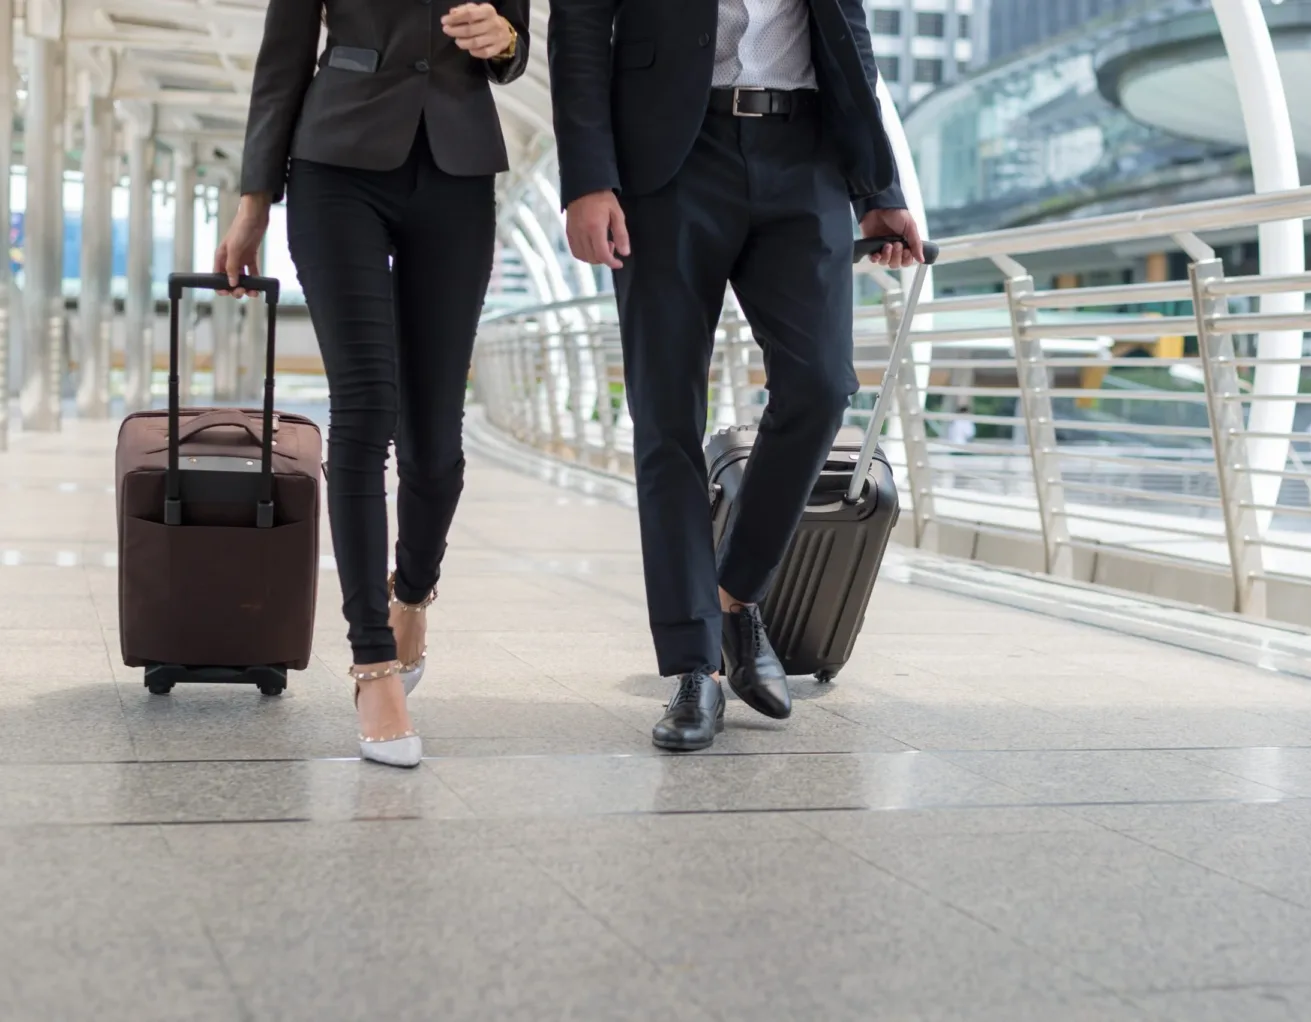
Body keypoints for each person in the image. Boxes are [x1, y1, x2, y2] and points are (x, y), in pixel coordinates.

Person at [551, 0, 925, 751]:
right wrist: (588, 180)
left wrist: (879, 190)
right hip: (667, 161)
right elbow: (581, 30)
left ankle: (733, 594)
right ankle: (694, 667)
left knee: (822, 385)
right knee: (666, 417)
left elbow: (847, 35)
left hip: (805, 152)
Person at [217, 0, 532, 768]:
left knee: (437, 451)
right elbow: (282, 56)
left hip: (457, 168)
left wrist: (508, 41)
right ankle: (372, 663)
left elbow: (511, 43)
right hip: (336, 165)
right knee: (364, 413)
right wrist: (253, 199)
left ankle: (413, 592)